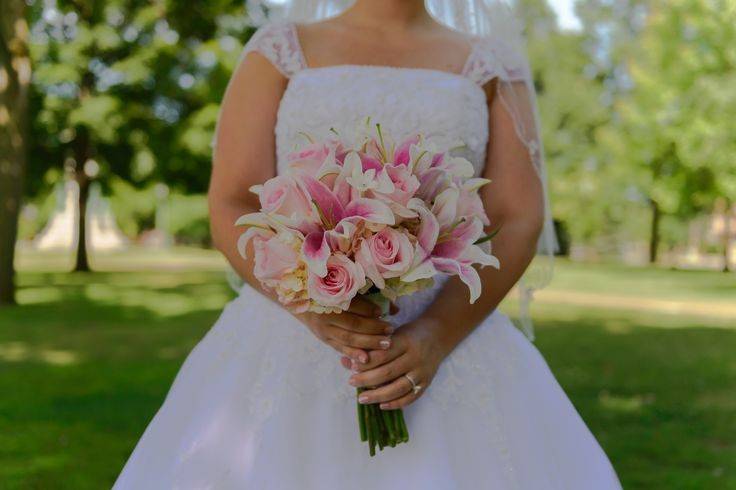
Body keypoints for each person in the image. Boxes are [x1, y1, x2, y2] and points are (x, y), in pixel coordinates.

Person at [115, 1, 622, 488]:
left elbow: (517, 219)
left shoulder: (492, 66)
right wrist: (311, 306)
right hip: (291, 330)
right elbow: (232, 202)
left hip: (450, 333)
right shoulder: (278, 51)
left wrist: (435, 336)